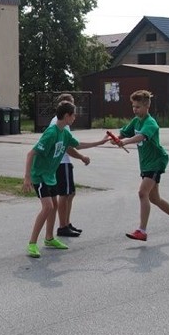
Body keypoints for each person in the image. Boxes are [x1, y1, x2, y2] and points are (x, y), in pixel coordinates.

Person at [23, 100, 108, 258]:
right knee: (48, 207)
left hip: (50, 175)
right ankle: (32, 244)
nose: (75, 117)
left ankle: (49, 239)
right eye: (73, 115)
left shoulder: (65, 132)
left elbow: (77, 146)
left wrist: (99, 143)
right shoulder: (51, 132)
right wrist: (27, 177)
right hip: (39, 174)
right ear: (67, 116)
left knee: (54, 206)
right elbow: (31, 154)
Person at [112, 90, 169, 242]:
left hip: (156, 162)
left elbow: (141, 136)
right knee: (155, 199)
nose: (135, 110)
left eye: (138, 107)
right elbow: (124, 132)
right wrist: (115, 138)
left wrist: (125, 142)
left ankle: (142, 231)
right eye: (133, 106)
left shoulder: (150, 123)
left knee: (142, 193)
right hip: (146, 164)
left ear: (147, 106)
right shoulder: (136, 121)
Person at [49, 93, 84, 238]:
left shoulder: (61, 123)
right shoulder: (59, 124)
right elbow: (69, 146)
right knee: (64, 194)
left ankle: (66, 223)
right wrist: (82, 157)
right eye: (72, 112)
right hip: (61, 162)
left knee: (70, 193)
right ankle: (63, 226)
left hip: (63, 162)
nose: (74, 115)